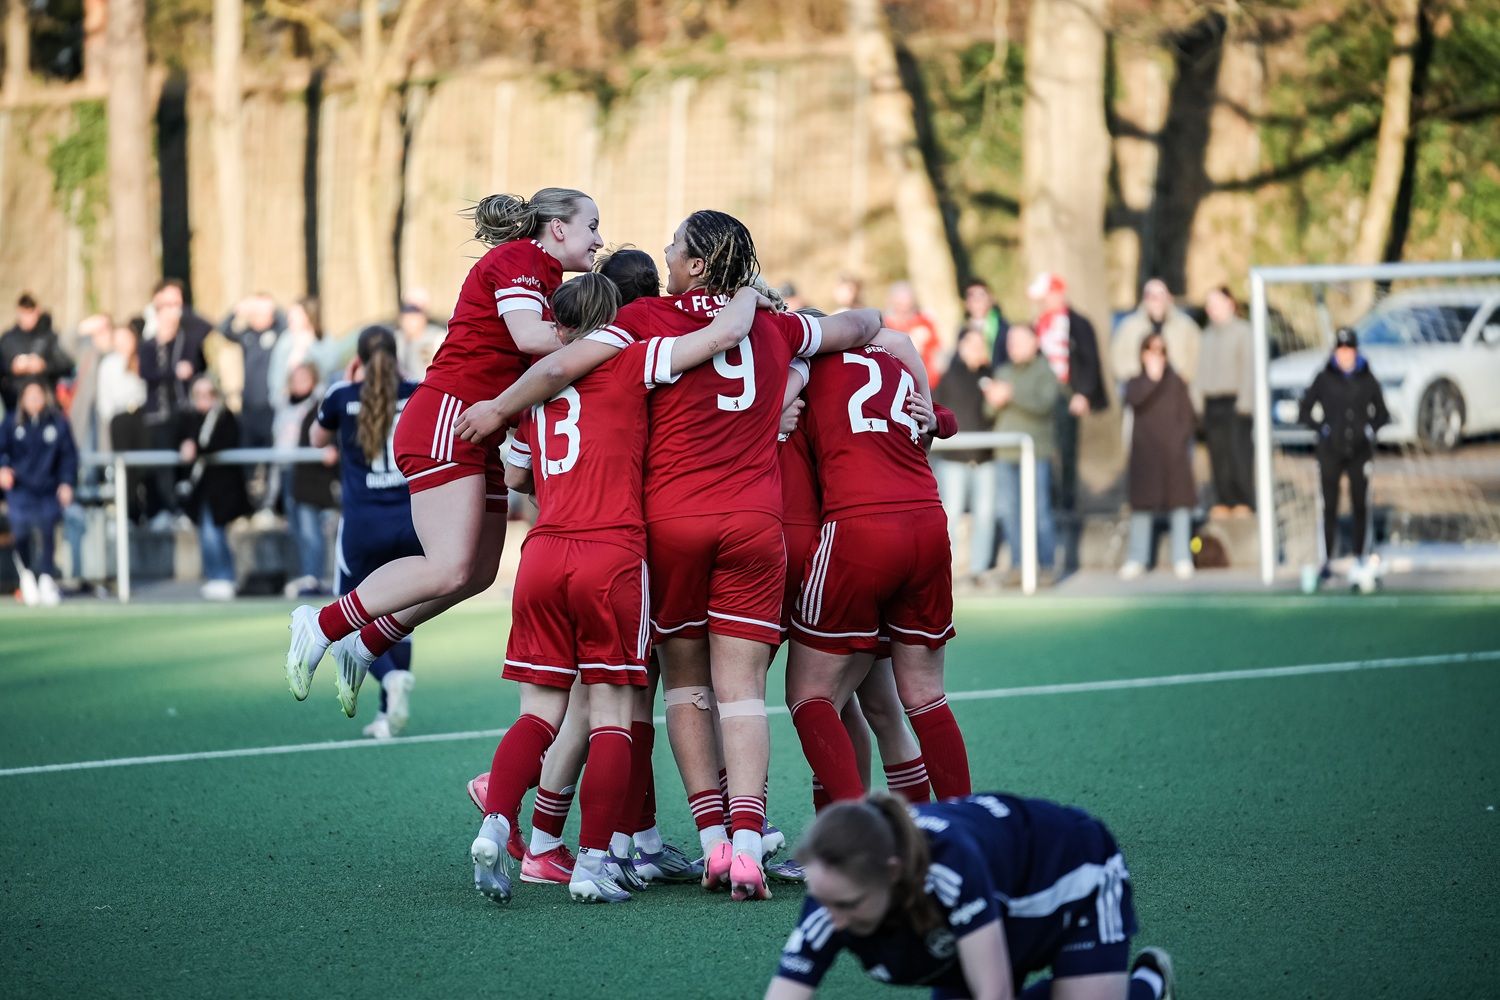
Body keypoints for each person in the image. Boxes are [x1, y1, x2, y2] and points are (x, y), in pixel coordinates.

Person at [457, 210, 888, 902]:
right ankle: (747, 844)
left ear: (692, 265)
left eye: (674, 247)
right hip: (752, 522)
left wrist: (498, 406)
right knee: (741, 691)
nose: (664, 252)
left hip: (658, 528)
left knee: (661, 692)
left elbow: (563, 372)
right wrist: (783, 306)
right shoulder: (775, 324)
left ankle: (693, 840)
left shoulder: (647, 322)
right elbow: (857, 325)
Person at [469, 270, 766, 905]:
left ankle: (499, 823)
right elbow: (721, 337)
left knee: (538, 712)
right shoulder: (633, 357)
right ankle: (595, 863)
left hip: (544, 552)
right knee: (611, 717)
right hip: (611, 553)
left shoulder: (535, 388)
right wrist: (750, 293)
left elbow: (518, 476)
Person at [284, 187, 604, 703]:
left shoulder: (546, 275)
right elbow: (528, 337)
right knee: (448, 564)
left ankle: (367, 643)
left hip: (479, 430)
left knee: (475, 574)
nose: (599, 239)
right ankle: (320, 623)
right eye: (592, 225)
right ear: (559, 228)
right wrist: (613, 337)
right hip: (448, 419)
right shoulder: (521, 256)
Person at [786, 319, 969, 813]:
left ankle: (853, 841)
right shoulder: (888, 361)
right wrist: (941, 418)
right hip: (927, 525)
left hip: (857, 532)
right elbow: (935, 415)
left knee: (810, 696)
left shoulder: (803, 368)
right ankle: (963, 828)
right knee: (922, 696)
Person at [766, 792, 1176, 1000]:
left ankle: (1147, 985)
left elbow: (993, 994)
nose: (831, 919)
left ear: (892, 874)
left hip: (1073, 874)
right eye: (825, 901)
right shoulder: (835, 889)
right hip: (991, 910)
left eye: (848, 905)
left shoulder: (950, 868)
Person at [309, 327, 423, 737]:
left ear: (357, 359)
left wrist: (350, 381)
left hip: (361, 526)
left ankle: (389, 680)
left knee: (349, 616)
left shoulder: (341, 395)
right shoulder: (417, 391)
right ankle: (387, 713)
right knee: (402, 614)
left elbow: (316, 436)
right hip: (411, 522)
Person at [1298, 326, 1389, 586]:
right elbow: (1305, 410)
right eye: (1341, 349)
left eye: (1349, 349)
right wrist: (1323, 429)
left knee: (1360, 504)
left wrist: (1368, 429)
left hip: (1359, 451)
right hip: (1330, 451)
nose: (1345, 354)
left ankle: (1361, 557)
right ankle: (1327, 559)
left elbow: (1382, 412)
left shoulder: (1366, 376)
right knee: (1329, 505)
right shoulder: (1324, 377)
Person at [1027, 272, 1109, 518]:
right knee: (1045, 447)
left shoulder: (1077, 323)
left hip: (1068, 394)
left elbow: (1089, 360)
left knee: (1067, 450)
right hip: (1044, 394)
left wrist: (1083, 393)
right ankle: (1049, 498)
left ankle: (1068, 501)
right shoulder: (1039, 324)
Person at [985, 323, 1060, 582]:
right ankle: (1018, 565)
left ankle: (1047, 565)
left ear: (1034, 343)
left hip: (1035, 453)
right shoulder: (1003, 370)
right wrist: (994, 399)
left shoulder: (1045, 371)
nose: (1013, 345)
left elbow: (1044, 404)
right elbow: (989, 411)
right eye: (1010, 340)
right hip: (1005, 453)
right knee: (1009, 511)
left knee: (1039, 511)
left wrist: (1012, 395)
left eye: (1019, 340)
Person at [1119, 333, 1196, 581]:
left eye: (1161, 351)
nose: (1156, 356)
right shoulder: (1135, 382)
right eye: (1151, 351)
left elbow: (1188, 418)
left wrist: (1178, 443)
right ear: (1142, 354)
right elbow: (1134, 400)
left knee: (1179, 505)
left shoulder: (1177, 383)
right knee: (1142, 506)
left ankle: (1182, 556)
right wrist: (1151, 379)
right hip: (1146, 456)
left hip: (1173, 454)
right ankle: (1137, 558)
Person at [0, 380, 78, 606]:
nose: (34, 400)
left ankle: (46, 577)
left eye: (38, 395)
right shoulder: (11, 423)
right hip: (20, 489)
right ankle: (27, 575)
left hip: (47, 488)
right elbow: (2, 449)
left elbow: (68, 457)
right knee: (20, 530)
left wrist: (66, 482)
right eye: (29, 395)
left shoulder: (57, 423)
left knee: (47, 528)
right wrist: (3, 467)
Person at [176, 375, 252, 600]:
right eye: (198, 394)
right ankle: (215, 577)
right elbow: (178, 439)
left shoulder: (224, 416)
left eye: (209, 394)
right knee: (206, 533)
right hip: (201, 489)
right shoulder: (189, 418)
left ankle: (225, 577)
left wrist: (195, 447)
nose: (203, 399)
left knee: (214, 533)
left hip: (222, 488)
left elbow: (222, 442)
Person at [138, 282, 207, 524]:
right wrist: (173, 372)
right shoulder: (148, 344)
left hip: (184, 413)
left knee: (186, 462)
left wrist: (180, 310)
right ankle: (163, 510)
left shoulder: (186, 340)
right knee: (161, 466)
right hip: (158, 415)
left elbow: (206, 329)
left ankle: (183, 510)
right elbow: (146, 373)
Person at [932, 329, 997, 583]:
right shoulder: (948, 376)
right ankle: (953, 569)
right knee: (951, 515)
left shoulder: (990, 376)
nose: (975, 349)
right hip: (953, 459)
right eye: (971, 344)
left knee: (985, 515)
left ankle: (980, 569)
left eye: (980, 344)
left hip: (984, 458)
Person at [276, 360, 339, 598]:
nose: (299, 383)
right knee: (297, 529)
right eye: (295, 378)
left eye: (304, 378)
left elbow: (330, 431)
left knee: (311, 530)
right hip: (287, 470)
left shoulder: (321, 403)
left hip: (312, 476)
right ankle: (305, 577)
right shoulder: (283, 406)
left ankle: (314, 578)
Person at [1196, 287, 1255, 517]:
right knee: (1217, 455)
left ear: (1229, 303)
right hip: (1213, 402)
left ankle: (1243, 500)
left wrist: (1246, 402)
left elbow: (1249, 369)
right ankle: (1223, 499)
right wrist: (1198, 403)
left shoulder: (1243, 332)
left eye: (1216, 303)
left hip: (1236, 402)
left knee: (1238, 454)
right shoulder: (1207, 335)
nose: (1212, 308)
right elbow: (1199, 372)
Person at [1111, 279, 1201, 387]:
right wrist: (1133, 378)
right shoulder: (1128, 327)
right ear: (1144, 299)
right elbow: (1117, 358)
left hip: (1176, 391)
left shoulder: (1186, 326)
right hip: (1141, 392)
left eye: (1160, 295)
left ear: (1169, 297)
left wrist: (1185, 376)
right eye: (1151, 296)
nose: (1156, 300)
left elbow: (1198, 353)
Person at [1, 293, 74, 412]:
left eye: (31, 313)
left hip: (45, 404)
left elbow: (67, 365)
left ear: (38, 311)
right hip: (14, 403)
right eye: (25, 313)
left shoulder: (49, 337)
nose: (29, 318)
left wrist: (44, 365)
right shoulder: (7, 339)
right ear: (18, 312)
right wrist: (12, 367)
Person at [885, 281, 944, 387]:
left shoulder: (925, 321)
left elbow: (937, 348)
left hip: (928, 381)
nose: (904, 309)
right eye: (900, 304)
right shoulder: (886, 325)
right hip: (897, 382)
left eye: (907, 304)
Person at [395, 297, 446, 380]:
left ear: (423, 318)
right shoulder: (395, 338)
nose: (409, 322)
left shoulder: (438, 337)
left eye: (413, 318)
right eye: (406, 318)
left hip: (429, 386)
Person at [960, 279, 1007, 362]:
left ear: (991, 299)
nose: (977, 301)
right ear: (966, 303)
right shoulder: (963, 332)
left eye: (981, 295)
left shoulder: (1003, 327)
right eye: (972, 296)